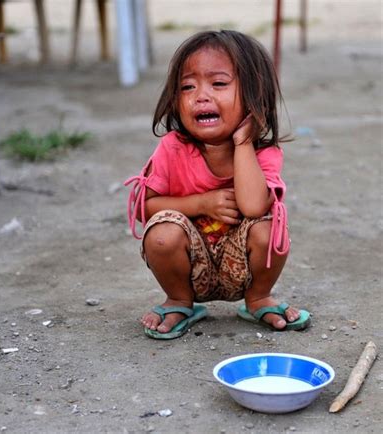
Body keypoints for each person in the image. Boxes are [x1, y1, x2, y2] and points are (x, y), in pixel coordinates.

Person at [124, 30, 310, 340]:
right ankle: (180, 301)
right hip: (190, 265)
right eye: (187, 86)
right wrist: (202, 203)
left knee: (268, 225)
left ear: (254, 95)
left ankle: (259, 298)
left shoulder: (265, 153)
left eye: (219, 83)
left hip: (240, 267)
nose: (200, 95)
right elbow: (143, 207)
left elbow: (253, 206)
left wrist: (243, 141)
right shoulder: (173, 148)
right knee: (160, 233)